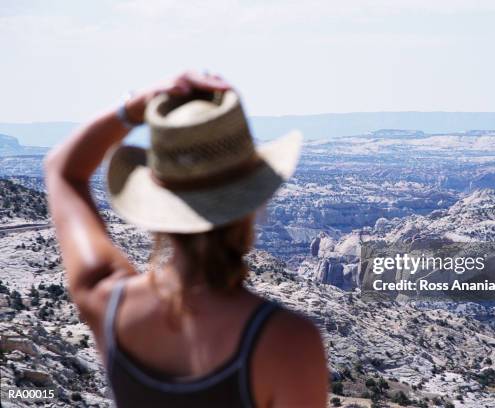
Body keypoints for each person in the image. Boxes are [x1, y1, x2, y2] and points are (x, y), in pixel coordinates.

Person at [44, 71, 328, 407]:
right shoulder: (287, 342)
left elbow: (62, 170)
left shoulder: (106, 300)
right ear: (253, 201)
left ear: (156, 201)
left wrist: (137, 107)